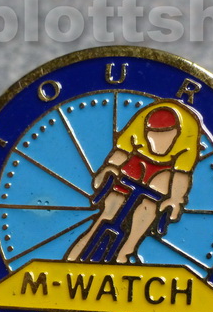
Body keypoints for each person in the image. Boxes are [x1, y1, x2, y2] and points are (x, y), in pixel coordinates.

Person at [66, 99, 201, 263]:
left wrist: (175, 200)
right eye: (153, 136)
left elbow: (181, 174)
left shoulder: (188, 136)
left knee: (150, 205)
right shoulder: (138, 125)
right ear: (147, 131)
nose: (159, 144)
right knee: (108, 212)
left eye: (165, 138)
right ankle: (73, 258)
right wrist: (108, 170)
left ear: (175, 134)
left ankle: (125, 252)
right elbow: (121, 152)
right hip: (137, 162)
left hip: (163, 170)